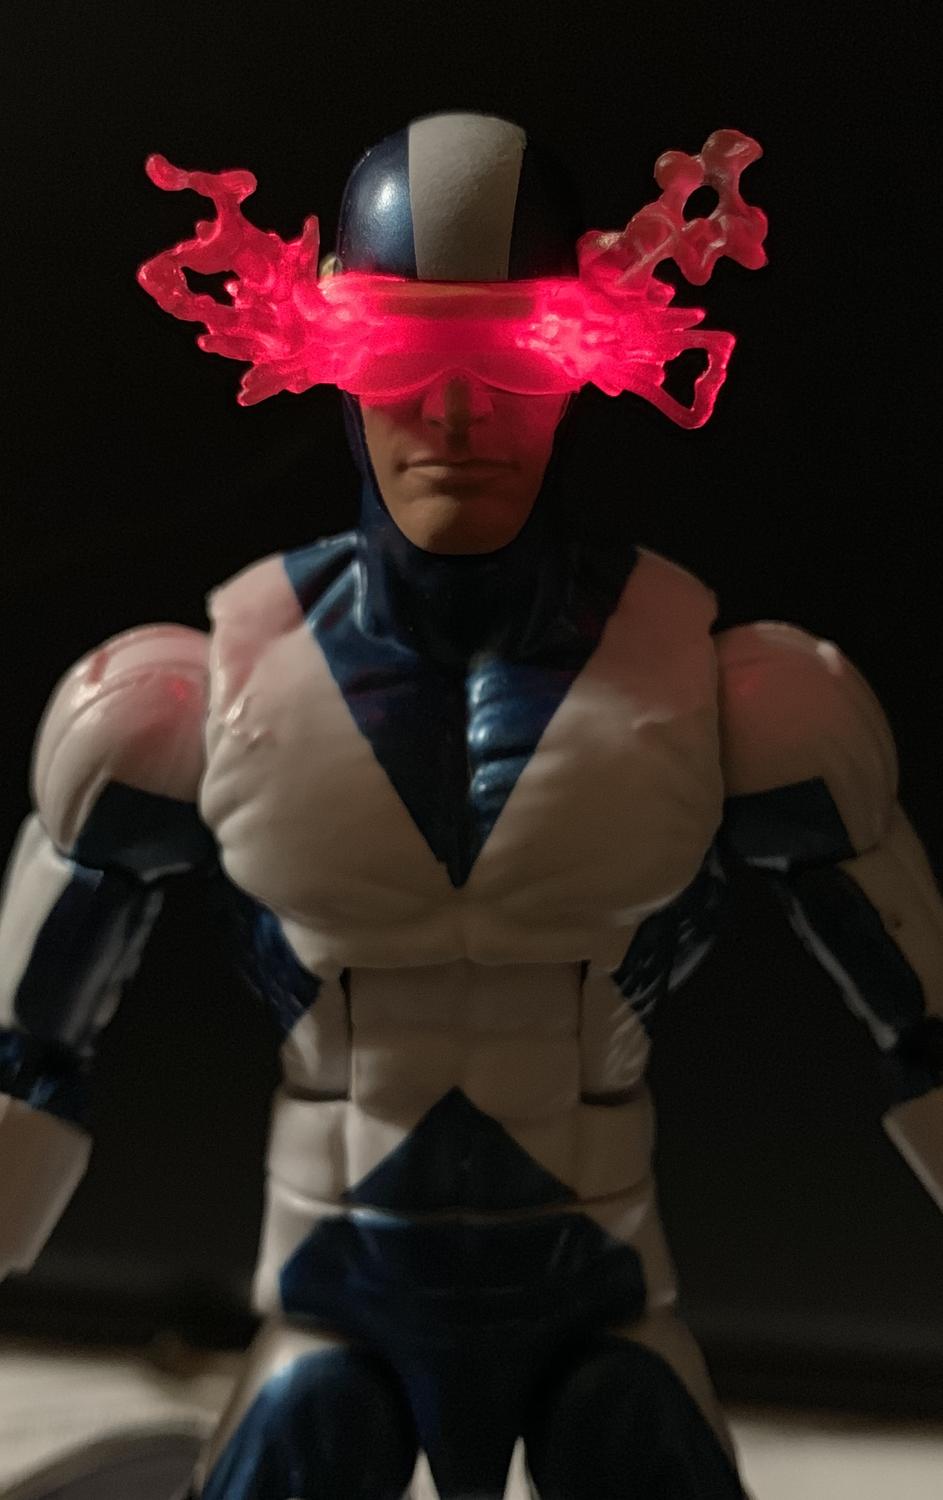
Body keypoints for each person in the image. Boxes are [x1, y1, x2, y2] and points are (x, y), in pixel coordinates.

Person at [1, 111, 940, 1500]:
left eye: (517, 351)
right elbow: (25, 1055)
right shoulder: (181, 706)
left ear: (596, 353)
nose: (454, 414)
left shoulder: (739, 698)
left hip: (600, 1298)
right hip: (332, 1302)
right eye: (396, 349)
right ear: (320, 350)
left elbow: (927, 1031)